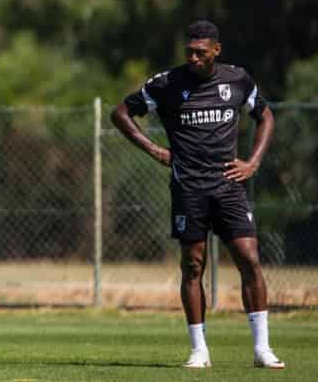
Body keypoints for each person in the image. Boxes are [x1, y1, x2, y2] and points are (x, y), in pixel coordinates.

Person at [110, 20, 283, 370]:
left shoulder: (237, 79)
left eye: (201, 52)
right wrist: (154, 149)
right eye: (189, 52)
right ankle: (199, 350)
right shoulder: (166, 83)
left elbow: (265, 117)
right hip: (188, 187)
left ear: (216, 50)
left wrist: (253, 163)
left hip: (228, 185)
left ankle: (262, 349)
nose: (193, 58)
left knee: (249, 259)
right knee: (193, 265)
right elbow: (120, 113)